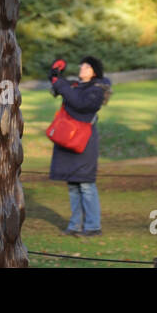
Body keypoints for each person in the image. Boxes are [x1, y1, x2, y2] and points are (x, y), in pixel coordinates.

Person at [49, 55, 111, 237]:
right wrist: (55, 74)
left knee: (85, 184)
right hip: (68, 139)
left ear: (94, 72)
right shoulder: (76, 86)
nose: (82, 69)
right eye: (81, 66)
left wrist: (61, 84)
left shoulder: (97, 89)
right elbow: (59, 87)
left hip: (84, 142)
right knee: (73, 184)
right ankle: (75, 225)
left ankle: (92, 226)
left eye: (86, 67)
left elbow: (80, 104)